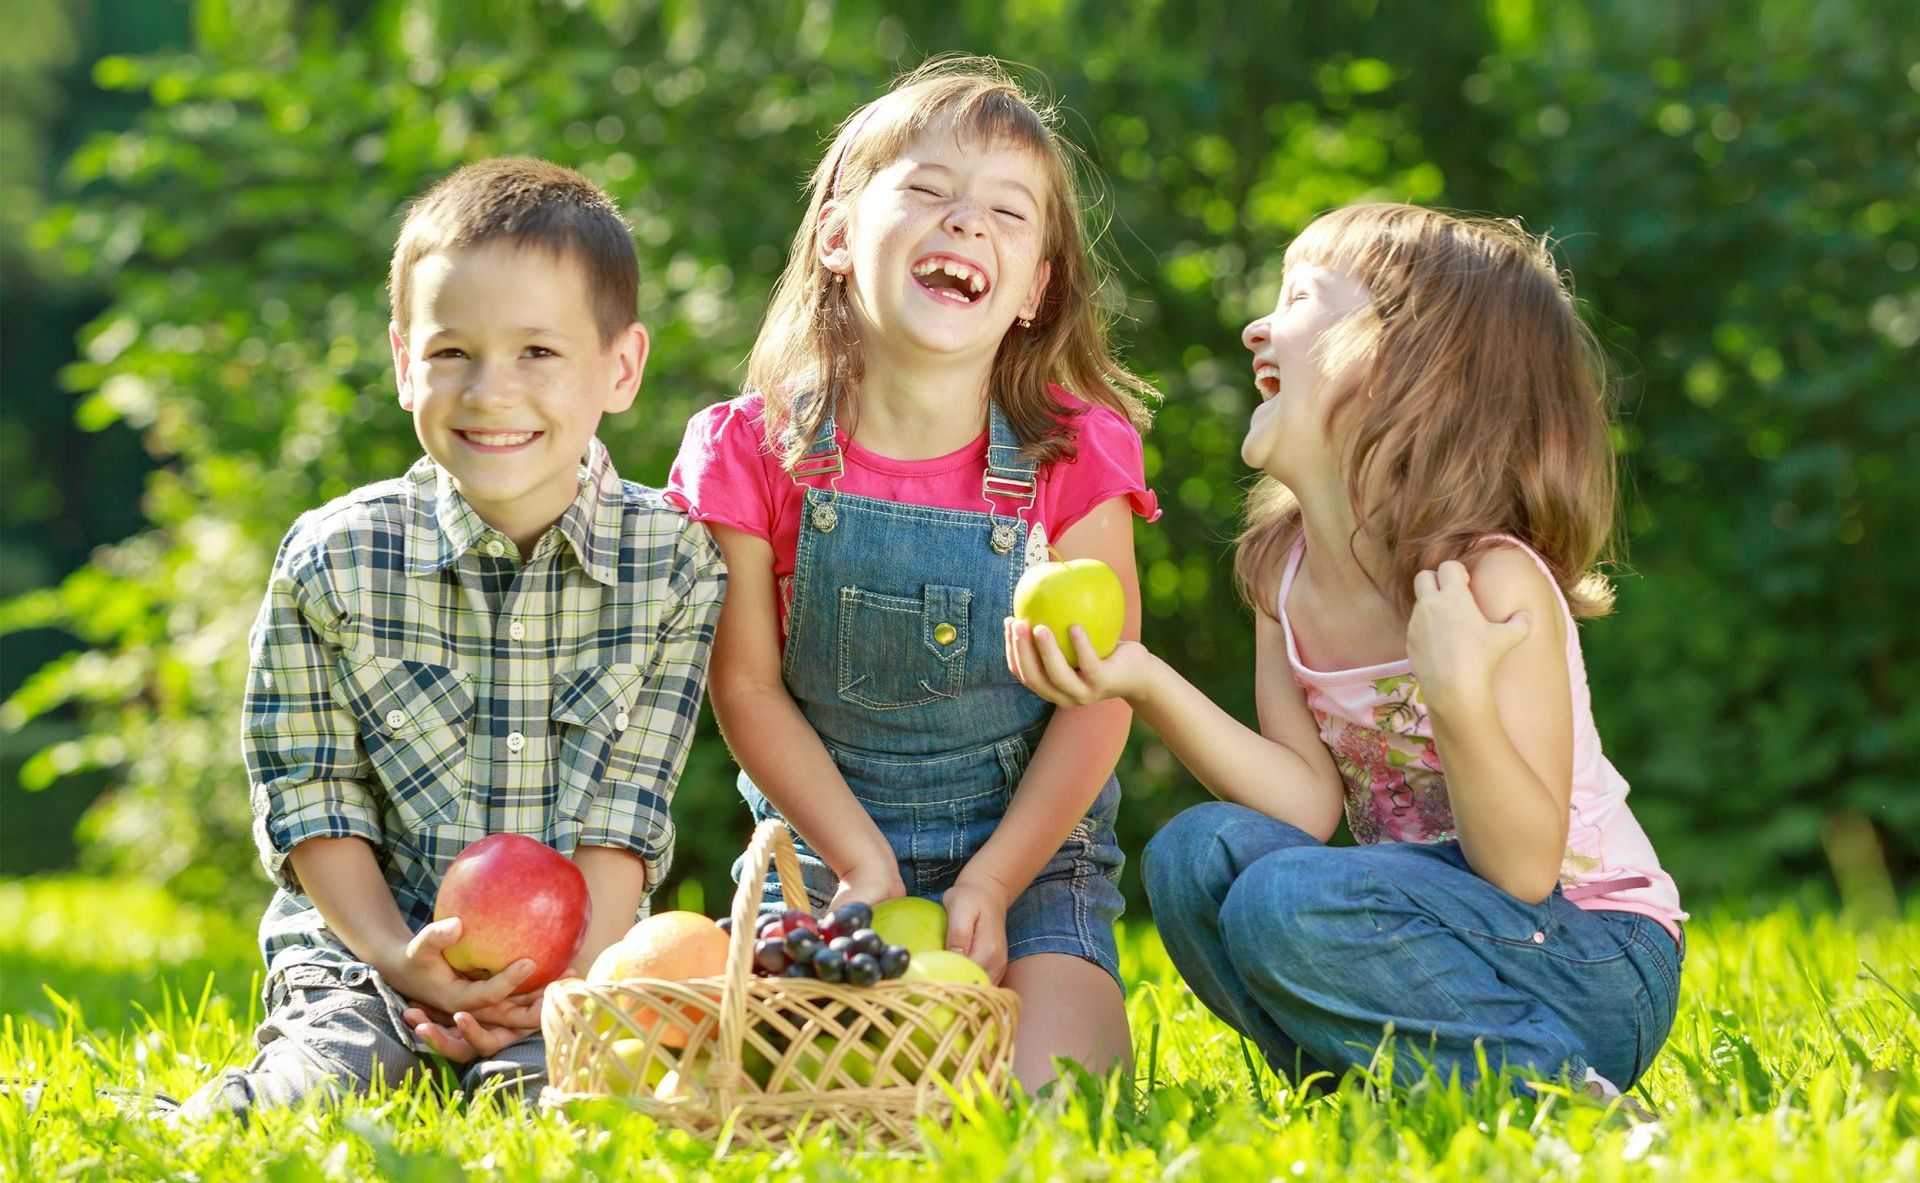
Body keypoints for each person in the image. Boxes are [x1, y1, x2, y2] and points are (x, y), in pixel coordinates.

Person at [1008, 203, 1685, 1104]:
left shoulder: (1489, 583)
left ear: (1404, 361)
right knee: (1195, 856)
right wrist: (1140, 678)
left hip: (1590, 954)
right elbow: (1307, 802)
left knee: (1280, 899)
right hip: (1417, 930)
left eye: (1298, 299)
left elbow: (1523, 869)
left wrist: (1458, 695)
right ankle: (1380, 1084)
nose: (1256, 326)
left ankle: (1562, 1094)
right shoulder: (1280, 575)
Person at [179, 157, 726, 1119]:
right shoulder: (334, 560)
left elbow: (624, 819)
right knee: (336, 1079)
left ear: (622, 366)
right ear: (403, 364)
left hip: (573, 966)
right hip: (362, 956)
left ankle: (520, 1062)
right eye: (451, 353)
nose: (490, 391)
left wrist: (550, 992)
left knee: (555, 1103)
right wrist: (401, 959)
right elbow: (313, 803)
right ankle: (222, 1110)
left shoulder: (674, 566)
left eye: (538, 354)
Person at [666, 57, 1157, 1087]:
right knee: (813, 1098)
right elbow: (745, 685)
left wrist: (994, 876)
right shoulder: (752, 452)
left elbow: (1100, 701)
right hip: (825, 858)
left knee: (1044, 1097)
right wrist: (859, 864)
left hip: (1032, 861)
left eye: (1007, 212)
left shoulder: (1075, 455)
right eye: (929, 191)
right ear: (840, 237)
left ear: (1034, 291)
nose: (967, 221)